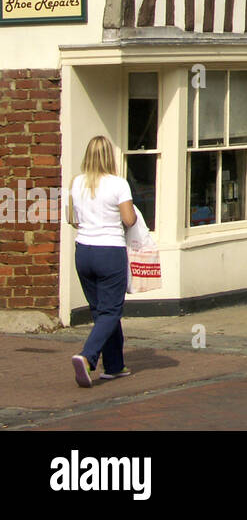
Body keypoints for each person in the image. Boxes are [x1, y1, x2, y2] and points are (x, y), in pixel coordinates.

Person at [65, 135, 137, 387]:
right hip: (110, 251)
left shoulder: (76, 183)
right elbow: (128, 220)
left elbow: (71, 219)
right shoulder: (119, 184)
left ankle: (115, 365)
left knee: (101, 311)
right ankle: (86, 357)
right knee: (111, 310)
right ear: (109, 156)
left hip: (83, 251)